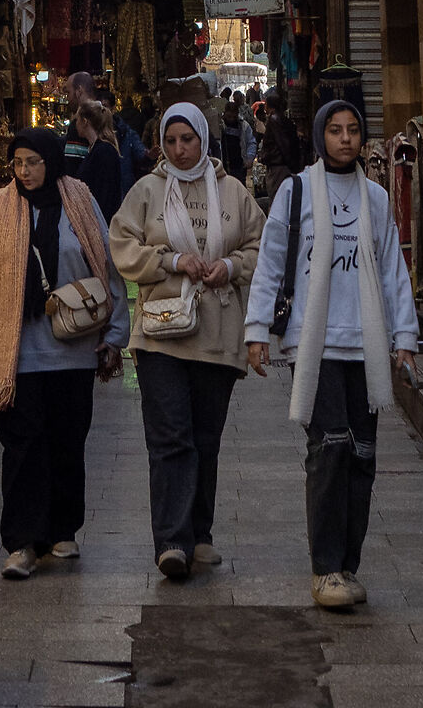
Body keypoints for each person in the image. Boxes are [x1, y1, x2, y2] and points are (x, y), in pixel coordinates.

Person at [245, 95, 418, 612]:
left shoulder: (377, 198)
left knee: (363, 455)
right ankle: (325, 568)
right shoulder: (295, 193)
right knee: (331, 449)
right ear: (320, 136)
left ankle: (348, 564)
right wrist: (257, 330)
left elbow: (392, 271)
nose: (346, 138)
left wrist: (404, 338)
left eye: (353, 130)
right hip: (314, 342)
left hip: (364, 344)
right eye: (336, 130)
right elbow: (272, 263)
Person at [0, 128, 128, 579]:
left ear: (51, 161)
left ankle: (61, 530)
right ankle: (22, 542)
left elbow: (105, 266)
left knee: (67, 441)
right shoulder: (1, 206)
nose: (25, 171)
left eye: (33, 162)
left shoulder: (80, 200)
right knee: (22, 446)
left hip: (73, 352)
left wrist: (116, 333)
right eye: (18, 163)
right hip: (18, 354)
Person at [110, 100, 263, 580]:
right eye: (170, 141)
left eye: (187, 140)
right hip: (159, 335)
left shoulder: (234, 193)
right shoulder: (147, 192)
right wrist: (171, 262)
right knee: (170, 436)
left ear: (203, 139)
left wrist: (232, 266)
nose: (178, 150)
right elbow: (123, 246)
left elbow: (262, 248)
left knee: (205, 439)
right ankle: (172, 540)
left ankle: (201, 534)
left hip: (216, 333)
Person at [71, 98, 125, 219]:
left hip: (101, 219)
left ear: (85, 122)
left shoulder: (104, 151)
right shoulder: (96, 149)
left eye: (77, 120)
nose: (76, 124)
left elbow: (105, 193)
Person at [259, 89, 304, 205]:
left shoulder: (274, 121)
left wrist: (290, 164)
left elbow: (283, 144)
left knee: (278, 199)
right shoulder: (282, 120)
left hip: (279, 167)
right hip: (282, 165)